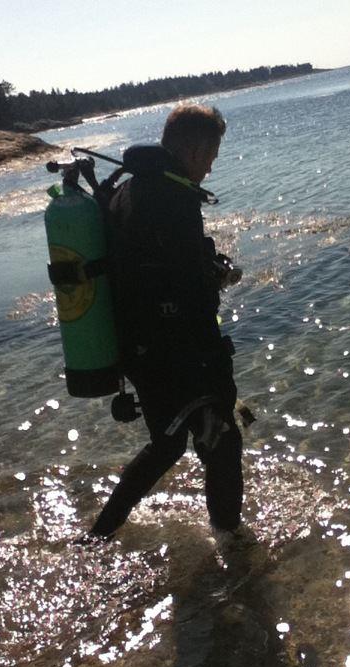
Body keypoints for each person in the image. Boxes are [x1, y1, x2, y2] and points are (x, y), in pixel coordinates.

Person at [87, 104, 244, 540]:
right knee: (222, 441)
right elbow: (184, 281)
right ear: (194, 150)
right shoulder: (171, 198)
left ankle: (98, 535)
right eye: (211, 157)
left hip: (140, 346)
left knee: (169, 444)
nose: (211, 168)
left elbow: (152, 262)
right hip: (176, 352)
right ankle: (232, 547)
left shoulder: (131, 189)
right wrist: (219, 273)